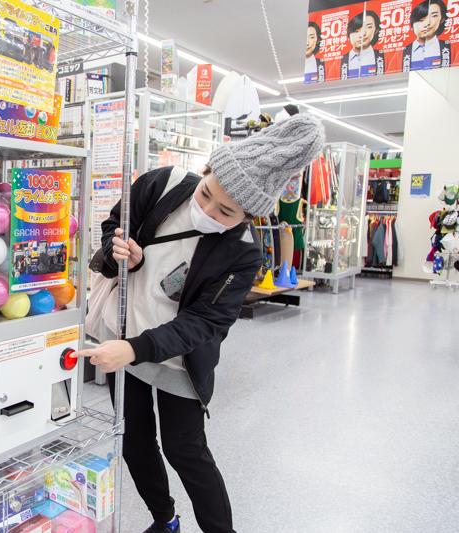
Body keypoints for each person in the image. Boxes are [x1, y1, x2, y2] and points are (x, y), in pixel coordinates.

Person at [76, 114, 325, 533]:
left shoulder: (243, 254)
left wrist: (136, 349)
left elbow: (205, 322)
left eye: (225, 211)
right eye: (206, 192)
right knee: (135, 441)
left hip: (176, 358)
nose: (206, 210)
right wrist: (122, 252)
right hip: (122, 334)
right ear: (206, 171)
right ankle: (164, 519)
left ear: (248, 216)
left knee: (185, 449)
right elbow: (113, 224)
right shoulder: (163, 183)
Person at [402, 0, 452, 71]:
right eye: (421, 20)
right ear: (412, 24)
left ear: (442, 19)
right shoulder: (400, 53)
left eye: (434, 16)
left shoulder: (451, 48)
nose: (427, 23)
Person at [341, 11, 384, 79]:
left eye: (369, 27)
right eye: (356, 31)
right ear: (348, 36)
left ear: (376, 30)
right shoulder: (339, 62)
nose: (362, 34)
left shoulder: (385, 57)